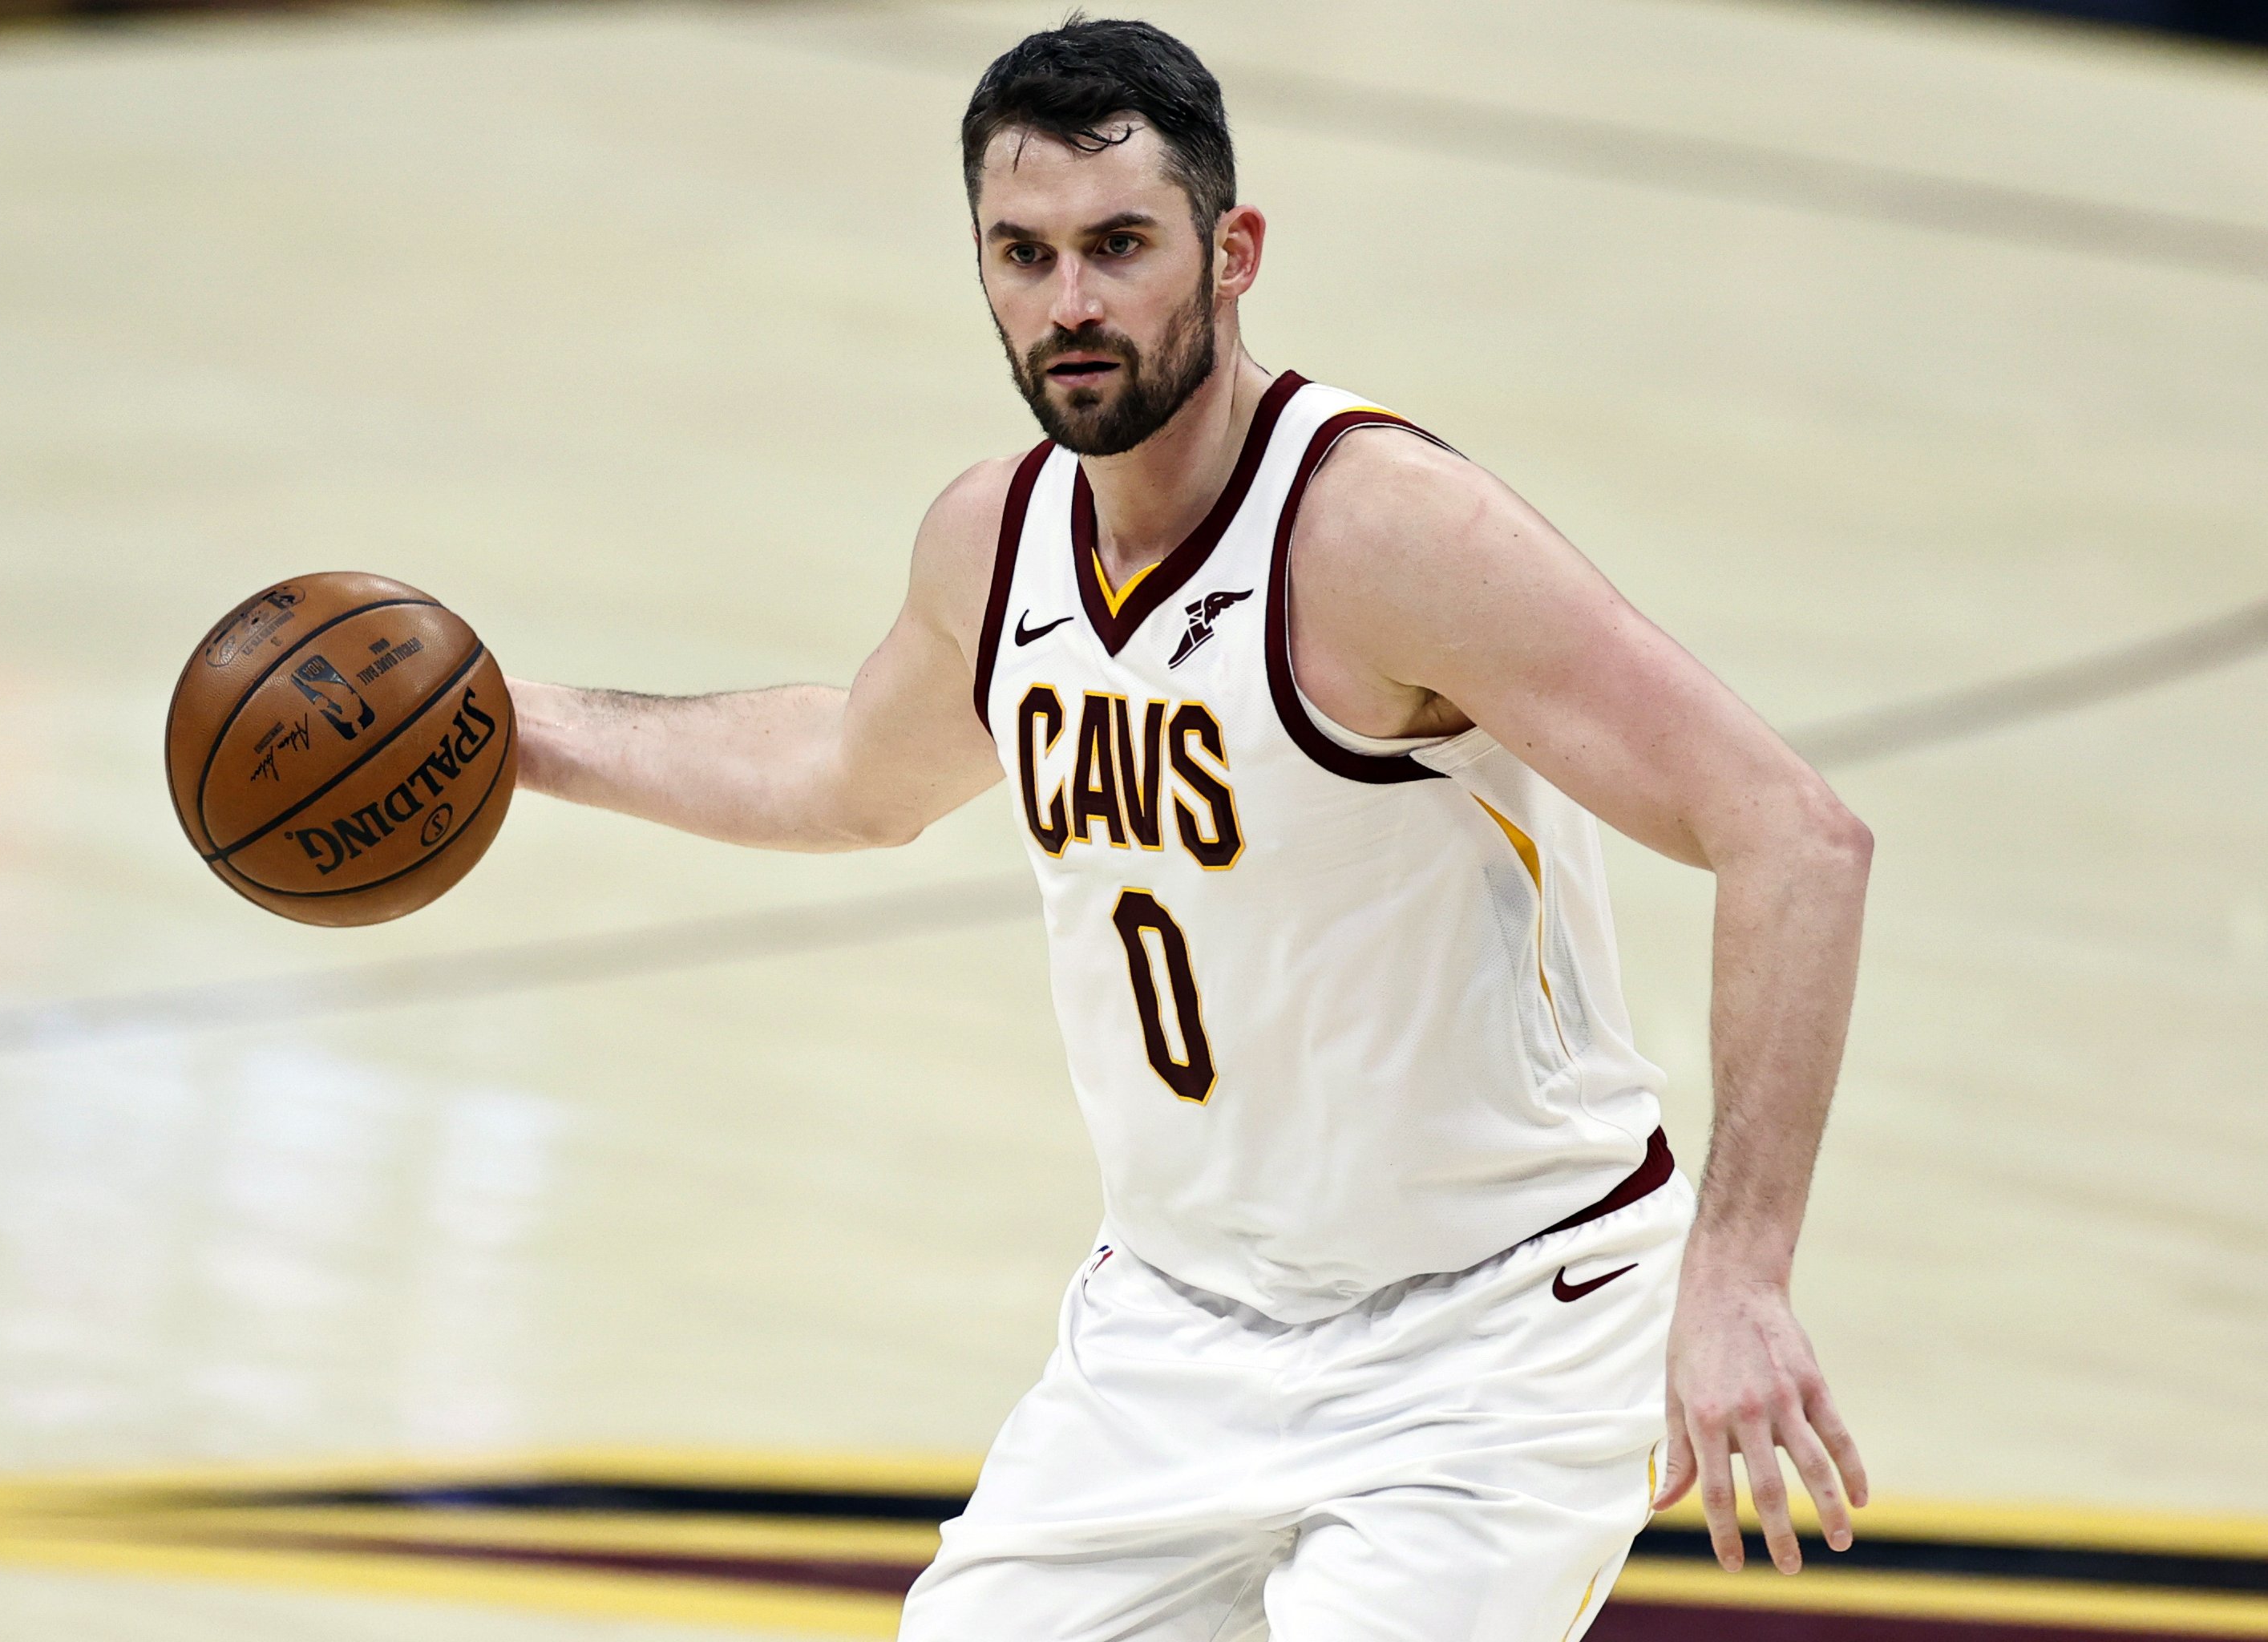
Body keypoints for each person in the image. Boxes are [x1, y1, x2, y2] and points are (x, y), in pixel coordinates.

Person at [511, 17, 1872, 1640]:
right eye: (1021, 255)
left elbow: (1790, 833)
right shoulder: (993, 543)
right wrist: (514, 729)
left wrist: (1733, 1273)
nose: (1068, 304)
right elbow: (844, 774)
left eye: (1116, 248)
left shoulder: (1379, 532)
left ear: (1230, 253)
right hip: (1170, 1332)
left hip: (1492, 1337)